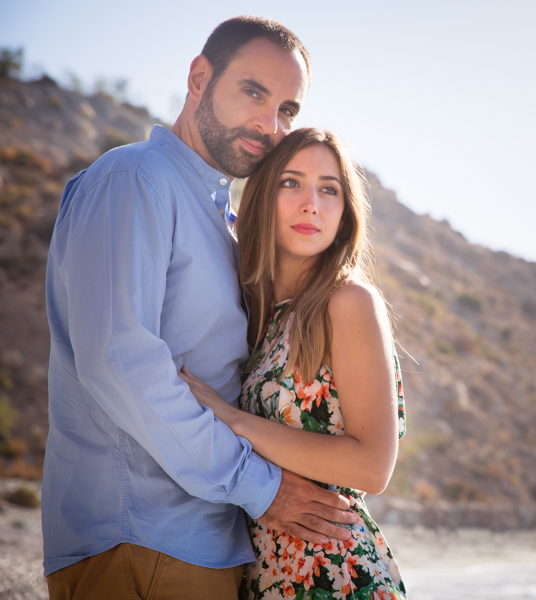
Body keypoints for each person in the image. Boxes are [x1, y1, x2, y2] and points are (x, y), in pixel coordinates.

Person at [43, 17, 356, 600]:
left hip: (200, 544)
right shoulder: (135, 178)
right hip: (140, 542)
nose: (271, 124)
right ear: (199, 77)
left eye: (288, 107)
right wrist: (262, 488)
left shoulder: (219, 217)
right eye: (254, 92)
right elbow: (120, 360)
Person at [179, 128, 407, 598]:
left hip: (336, 574)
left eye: (329, 189)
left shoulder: (348, 302)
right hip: (267, 574)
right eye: (291, 183)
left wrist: (235, 421)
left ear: (344, 214)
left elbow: (372, 467)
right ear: (262, 197)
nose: (312, 204)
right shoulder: (260, 316)